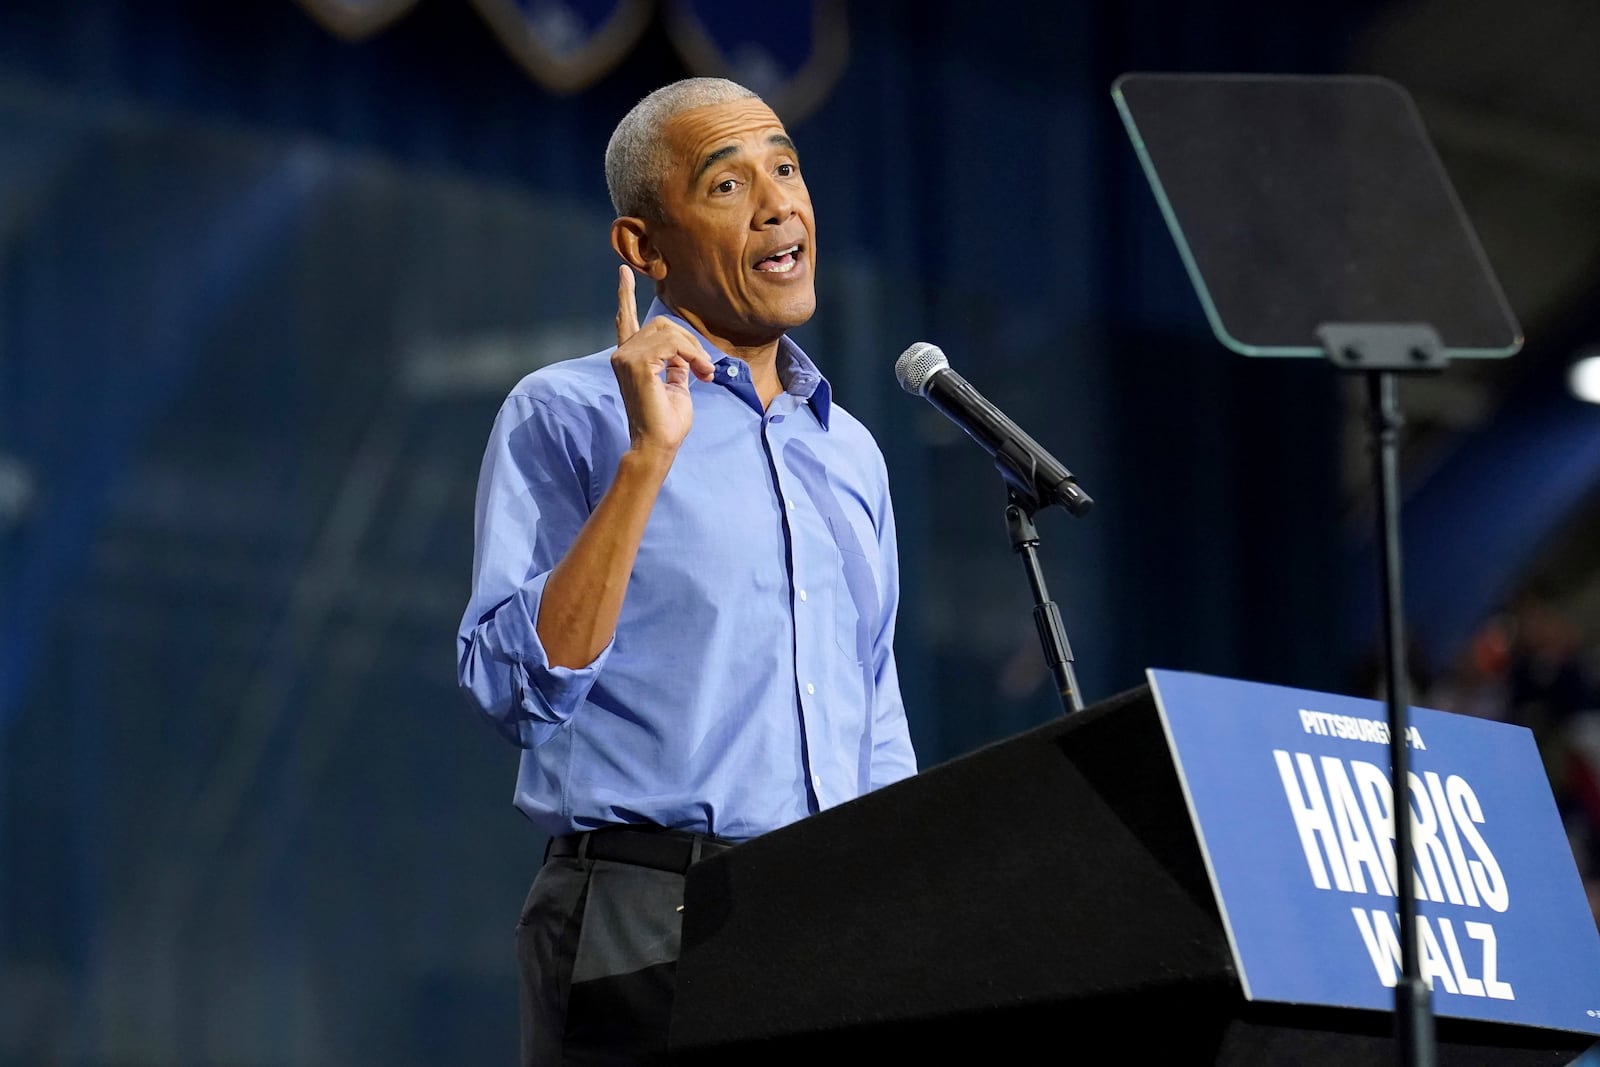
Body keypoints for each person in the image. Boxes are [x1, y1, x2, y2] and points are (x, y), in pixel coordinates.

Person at [455, 77, 918, 1065]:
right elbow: (511, 688)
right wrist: (646, 461)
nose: (779, 201)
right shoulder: (567, 412)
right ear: (642, 246)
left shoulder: (852, 451)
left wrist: (906, 904)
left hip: (832, 911)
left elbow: (872, 698)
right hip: (642, 911)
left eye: (786, 167)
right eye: (726, 184)